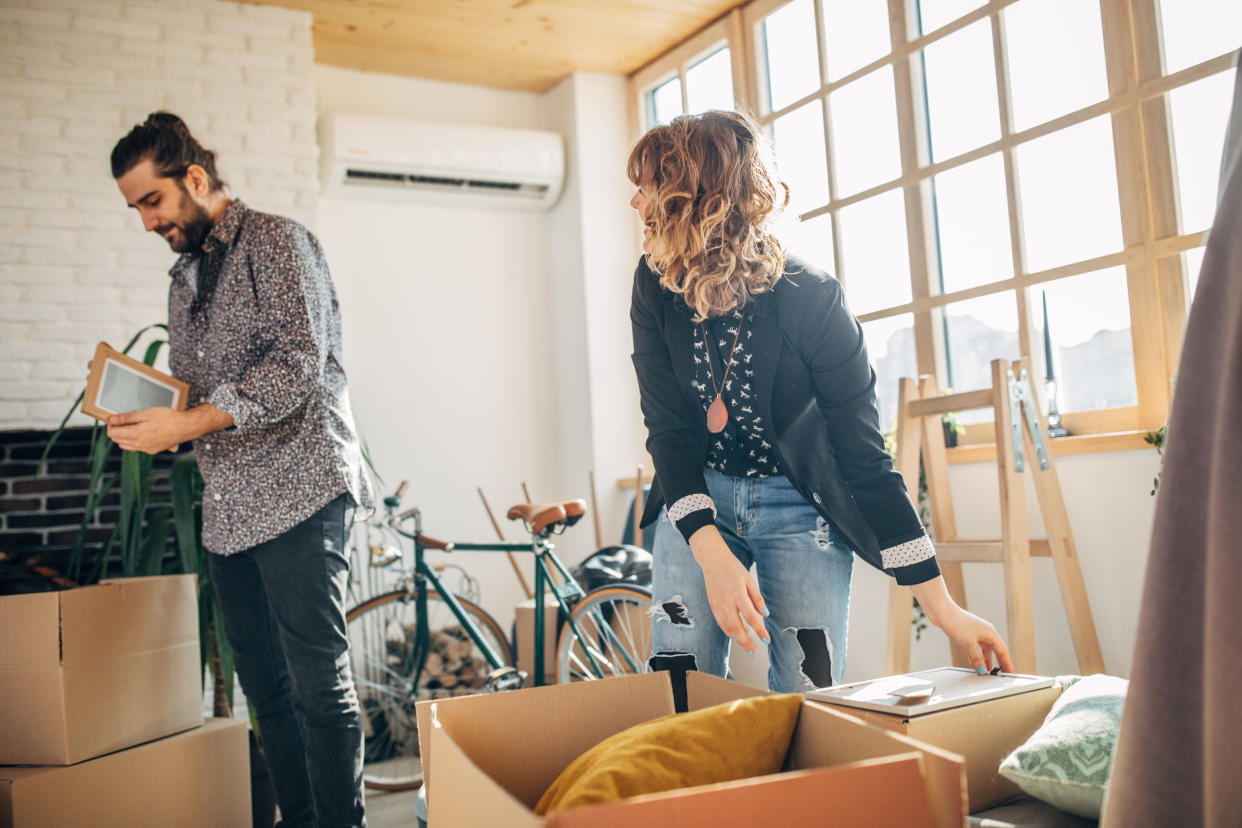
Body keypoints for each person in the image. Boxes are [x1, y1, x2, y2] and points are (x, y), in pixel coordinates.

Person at [628, 110, 1012, 692]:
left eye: (648, 187)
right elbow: (667, 431)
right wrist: (711, 555)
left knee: (811, 694)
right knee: (679, 686)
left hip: (800, 506)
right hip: (694, 494)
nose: (636, 204)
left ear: (696, 199)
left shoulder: (813, 299)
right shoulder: (653, 285)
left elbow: (863, 459)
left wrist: (942, 607)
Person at [109, 112, 373, 828]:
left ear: (194, 178)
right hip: (227, 511)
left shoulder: (278, 242)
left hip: (301, 490)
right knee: (264, 686)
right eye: (135, 207)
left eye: (152, 201)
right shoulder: (182, 279)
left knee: (319, 687)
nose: (145, 222)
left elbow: (296, 367)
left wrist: (186, 422)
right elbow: (203, 393)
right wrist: (152, 414)